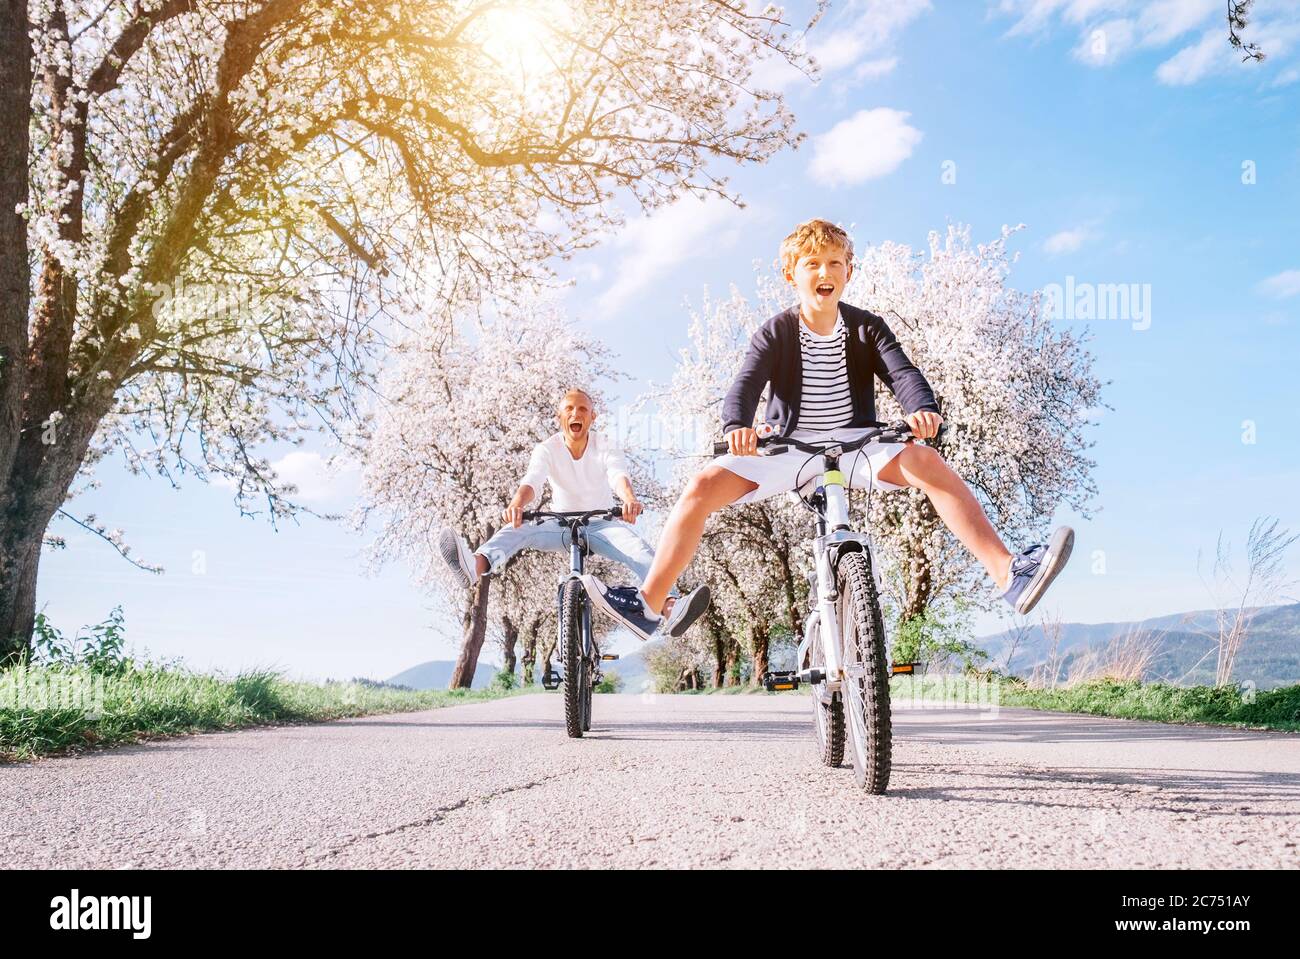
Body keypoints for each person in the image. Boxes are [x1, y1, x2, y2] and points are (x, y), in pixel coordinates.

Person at [583, 218, 1073, 640]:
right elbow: (746, 383)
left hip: (858, 444)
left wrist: (921, 408)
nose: (825, 272)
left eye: (836, 263)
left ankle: (1008, 574)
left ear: (849, 272)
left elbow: (902, 373)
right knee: (702, 485)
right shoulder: (776, 331)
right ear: (791, 274)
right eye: (813, 264)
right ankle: (649, 605)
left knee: (928, 462)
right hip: (788, 450)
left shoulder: (867, 327)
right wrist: (738, 425)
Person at [438, 387, 711, 638]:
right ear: (560, 416)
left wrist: (629, 499)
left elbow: (618, 475)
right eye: (569, 409)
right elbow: (533, 480)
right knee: (517, 529)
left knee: (638, 549)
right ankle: (475, 567)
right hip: (557, 525)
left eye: (582, 409)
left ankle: (670, 605)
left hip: (600, 524)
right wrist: (517, 504)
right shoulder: (547, 448)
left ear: (593, 416)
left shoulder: (604, 444)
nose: (575, 413)